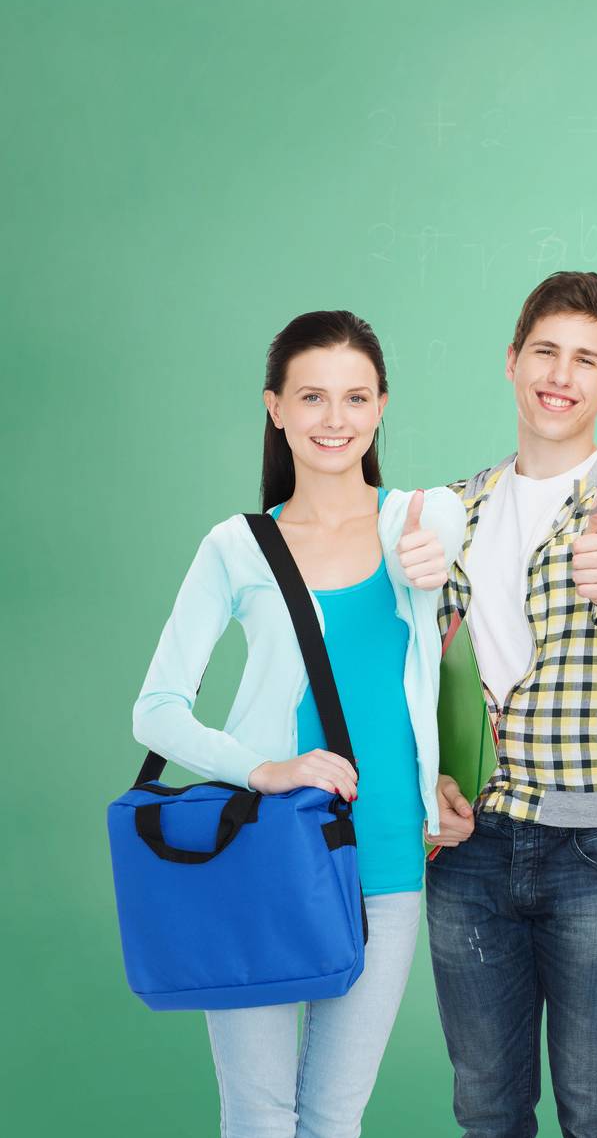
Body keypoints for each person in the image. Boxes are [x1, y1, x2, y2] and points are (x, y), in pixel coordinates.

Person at [131, 310, 468, 1138]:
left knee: (333, 1116)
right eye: (312, 396)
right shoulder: (236, 546)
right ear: (275, 406)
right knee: (259, 1115)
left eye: (355, 397)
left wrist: (437, 557)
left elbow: (451, 530)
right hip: (265, 851)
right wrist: (264, 769)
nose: (335, 419)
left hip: (388, 855)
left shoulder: (419, 520)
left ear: (382, 405)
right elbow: (156, 709)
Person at [425, 271, 597, 1138]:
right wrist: (430, 785)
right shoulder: (452, 509)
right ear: (512, 361)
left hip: (593, 849)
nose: (561, 374)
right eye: (546, 351)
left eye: (587, 359)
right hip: (469, 848)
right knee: (487, 1106)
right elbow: (420, 672)